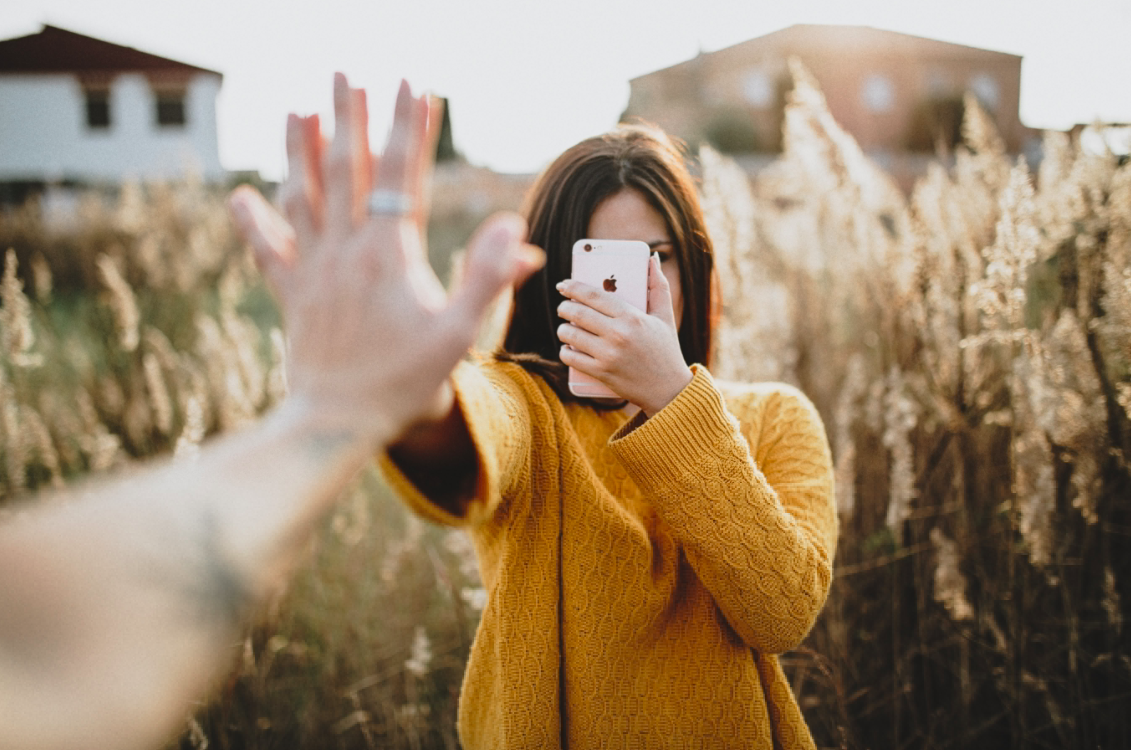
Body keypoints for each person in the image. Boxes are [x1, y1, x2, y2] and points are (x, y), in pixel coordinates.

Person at [0, 74, 543, 750]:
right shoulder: (530, 402)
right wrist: (341, 408)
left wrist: (334, 409)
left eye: (660, 258)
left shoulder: (720, 411)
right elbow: (36, 652)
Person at [378, 123, 839, 747]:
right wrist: (417, 387)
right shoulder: (525, 403)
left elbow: (783, 612)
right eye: (600, 264)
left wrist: (673, 398)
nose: (632, 294)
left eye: (659, 257)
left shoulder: (775, 418)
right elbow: (470, 429)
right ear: (550, 278)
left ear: (692, 264)